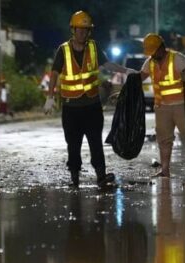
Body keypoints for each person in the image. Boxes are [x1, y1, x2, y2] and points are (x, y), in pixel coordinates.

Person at [44, 10, 134, 188]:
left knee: (95, 142)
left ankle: (101, 176)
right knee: (73, 144)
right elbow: (54, 73)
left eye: (86, 30)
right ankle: (74, 177)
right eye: (80, 29)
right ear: (73, 30)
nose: (83, 33)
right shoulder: (63, 50)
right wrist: (50, 96)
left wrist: (126, 71)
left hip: (92, 105)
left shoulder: (93, 47)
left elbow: (107, 64)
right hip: (71, 107)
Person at [139, 33, 185, 177]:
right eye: (150, 53)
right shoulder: (150, 62)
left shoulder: (176, 58)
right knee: (164, 139)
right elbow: (141, 76)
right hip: (162, 107)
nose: (152, 55)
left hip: (181, 105)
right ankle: (165, 170)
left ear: (161, 48)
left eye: (153, 52)